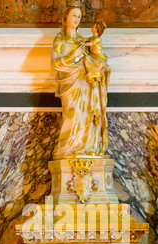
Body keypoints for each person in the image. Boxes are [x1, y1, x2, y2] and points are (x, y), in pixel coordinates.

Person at [51, 3, 110, 159]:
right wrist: (73, 57)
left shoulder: (84, 41)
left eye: (79, 16)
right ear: (66, 18)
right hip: (69, 83)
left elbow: (95, 60)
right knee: (71, 114)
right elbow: (55, 63)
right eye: (73, 16)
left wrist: (100, 66)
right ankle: (68, 147)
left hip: (85, 83)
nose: (76, 19)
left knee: (85, 113)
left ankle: (86, 145)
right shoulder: (59, 40)